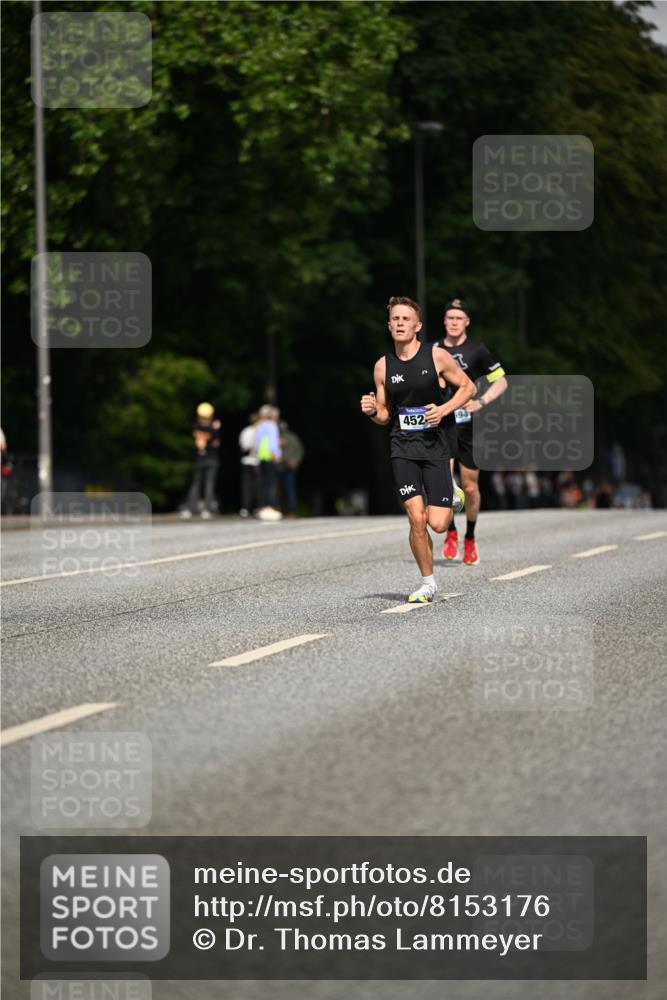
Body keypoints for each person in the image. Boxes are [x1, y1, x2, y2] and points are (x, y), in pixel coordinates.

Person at [360, 296, 473, 603]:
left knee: (438, 524)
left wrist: (444, 409)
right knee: (416, 519)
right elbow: (385, 414)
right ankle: (428, 583)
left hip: (436, 447)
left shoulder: (436, 356)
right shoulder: (382, 366)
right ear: (389, 326)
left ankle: (453, 494)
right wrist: (372, 410)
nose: (400, 323)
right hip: (403, 447)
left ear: (417, 326)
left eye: (406, 319)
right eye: (395, 319)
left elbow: (468, 387)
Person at [436, 298, 508, 565]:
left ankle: (470, 537)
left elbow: (501, 381)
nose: (454, 322)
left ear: (467, 322)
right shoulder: (434, 349)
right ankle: (451, 532)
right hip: (443, 421)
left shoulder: (477, 350)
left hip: (470, 425)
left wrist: (482, 401)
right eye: (450, 318)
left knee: (469, 486)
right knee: (444, 480)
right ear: (444, 321)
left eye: (459, 318)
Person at [180, 402, 221, 519]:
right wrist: (215, 428)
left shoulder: (195, 427)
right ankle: (206, 509)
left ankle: (190, 508)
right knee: (207, 484)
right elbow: (216, 443)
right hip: (210, 458)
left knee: (197, 483)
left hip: (200, 458)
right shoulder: (213, 428)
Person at [254, 404, 282, 521]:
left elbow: (256, 443)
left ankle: (262, 507)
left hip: (261, 457)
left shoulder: (260, 425)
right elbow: (272, 442)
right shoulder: (272, 426)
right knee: (270, 483)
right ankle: (269, 507)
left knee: (263, 483)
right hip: (270, 456)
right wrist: (276, 454)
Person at [278, 420, 304, 517]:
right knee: (289, 489)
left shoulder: (281, 438)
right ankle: (289, 511)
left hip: (282, 466)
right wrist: (295, 461)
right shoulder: (293, 437)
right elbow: (300, 450)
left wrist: (294, 461)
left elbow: (299, 450)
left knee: (285, 489)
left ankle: (288, 510)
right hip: (284, 466)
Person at [238, 411, 260, 517]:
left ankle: (246, 508)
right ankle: (253, 507)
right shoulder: (258, 431)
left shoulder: (245, 431)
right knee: (254, 485)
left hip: (247, 461)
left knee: (247, 486)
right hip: (254, 461)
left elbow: (242, 446)